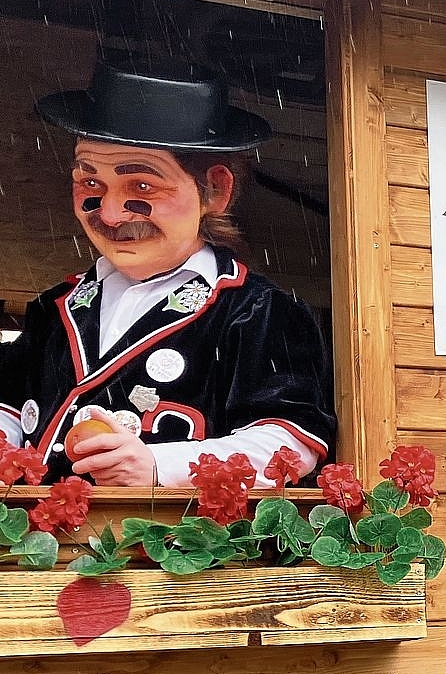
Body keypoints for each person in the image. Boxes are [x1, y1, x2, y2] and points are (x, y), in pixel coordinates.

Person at [0, 60, 336, 487]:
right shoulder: (53, 308)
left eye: (142, 186)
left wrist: (159, 468)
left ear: (215, 190)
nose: (110, 213)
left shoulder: (260, 312)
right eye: (90, 183)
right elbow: (8, 407)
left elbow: (292, 444)